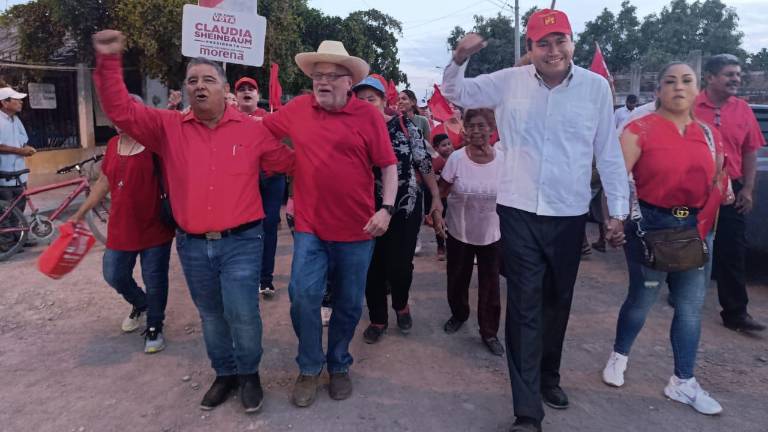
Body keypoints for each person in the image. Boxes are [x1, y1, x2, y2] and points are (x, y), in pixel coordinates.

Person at [442, 9, 630, 432]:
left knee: (556, 302)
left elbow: (609, 152)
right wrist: (458, 57)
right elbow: (456, 91)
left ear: (572, 43)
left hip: (568, 213)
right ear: (530, 49)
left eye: (559, 40)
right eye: (542, 43)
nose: (552, 50)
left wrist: (617, 211)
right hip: (519, 210)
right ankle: (527, 410)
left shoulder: (595, 88)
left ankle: (549, 376)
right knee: (525, 306)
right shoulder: (509, 82)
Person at [92, 29, 295, 414]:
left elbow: (291, 163)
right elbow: (121, 112)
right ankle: (225, 373)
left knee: (242, 311)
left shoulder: (253, 131)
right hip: (192, 243)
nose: (199, 86)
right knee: (211, 313)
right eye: (192, 81)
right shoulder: (167, 128)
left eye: (208, 80)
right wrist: (108, 61)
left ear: (225, 88)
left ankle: (249, 374)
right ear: (186, 90)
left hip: (242, 242)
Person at [260, 40, 397, 408]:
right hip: (310, 228)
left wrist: (386, 208)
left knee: (350, 304)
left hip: (358, 231)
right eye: (317, 75)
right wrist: (288, 161)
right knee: (302, 296)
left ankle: (338, 365)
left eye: (331, 76)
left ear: (348, 81)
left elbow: (387, 165)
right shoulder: (298, 108)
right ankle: (308, 367)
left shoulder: (367, 116)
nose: (322, 82)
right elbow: (262, 133)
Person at [602, 61, 730, 415]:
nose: (678, 87)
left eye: (686, 81)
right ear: (658, 91)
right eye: (670, 81)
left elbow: (720, 177)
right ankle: (619, 354)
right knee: (642, 300)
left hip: (697, 229)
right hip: (651, 227)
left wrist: (725, 188)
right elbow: (616, 179)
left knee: (690, 309)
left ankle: (683, 381)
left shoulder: (708, 133)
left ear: (697, 89)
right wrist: (613, 219)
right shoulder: (638, 129)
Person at [71, 98, 174, 354]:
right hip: (121, 226)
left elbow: (177, 129)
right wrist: (81, 212)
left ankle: (154, 326)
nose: (118, 121)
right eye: (114, 115)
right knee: (114, 274)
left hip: (154, 226)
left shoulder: (155, 143)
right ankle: (140, 303)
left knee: (155, 279)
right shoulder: (114, 144)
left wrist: (172, 108)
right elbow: (105, 180)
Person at [352, 75, 444, 344]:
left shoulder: (404, 126)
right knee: (372, 267)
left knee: (400, 266)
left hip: (406, 207)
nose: (367, 105)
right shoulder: (352, 130)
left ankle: (401, 305)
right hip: (366, 208)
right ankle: (378, 319)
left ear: (384, 101)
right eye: (361, 100)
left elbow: (424, 162)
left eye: (372, 99)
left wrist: (436, 197)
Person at [694, 54, 766, 332]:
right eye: (729, 74)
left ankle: (736, 313)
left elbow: (750, 151)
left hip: (731, 189)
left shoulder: (743, 110)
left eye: (738, 74)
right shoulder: (690, 107)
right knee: (691, 244)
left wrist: (748, 188)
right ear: (710, 78)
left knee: (732, 250)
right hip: (695, 189)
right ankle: (680, 295)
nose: (736, 79)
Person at [439, 109, 504, 356]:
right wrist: (434, 212)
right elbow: (443, 189)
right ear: (465, 129)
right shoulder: (456, 159)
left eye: (481, 126)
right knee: (457, 277)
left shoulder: (503, 160)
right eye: (471, 126)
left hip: (492, 233)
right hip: (460, 230)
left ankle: (489, 332)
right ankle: (459, 314)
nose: (476, 131)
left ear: (491, 129)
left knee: (490, 284)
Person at [235, 76, 284, 298]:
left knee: (269, 226)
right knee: (245, 228)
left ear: (257, 95)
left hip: (272, 178)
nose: (246, 92)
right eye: (242, 89)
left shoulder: (269, 117)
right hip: (244, 180)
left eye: (251, 89)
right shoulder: (228, 119)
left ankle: (266, 279)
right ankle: (246, 276)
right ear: (236, 96)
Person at [0, 86, 34, 212]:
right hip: (3, 180)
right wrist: (20, 151)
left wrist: (26, 148)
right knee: (6, 217)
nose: (21, 102)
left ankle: (18, 233)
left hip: (20, 178)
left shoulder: (16, 120)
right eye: (17, 99)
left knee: (19, 215)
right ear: (4, 102)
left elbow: (22, 141)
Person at [431, 133, 453, 260]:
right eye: (444, 145)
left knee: (451, 222)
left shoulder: (455, 158)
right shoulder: (435, 162)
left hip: (452, 197)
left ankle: (451, 246)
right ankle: (440, 246)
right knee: (438, 221)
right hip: (439, 197)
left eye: (449, 144)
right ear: (436, 148)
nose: (448, 147)